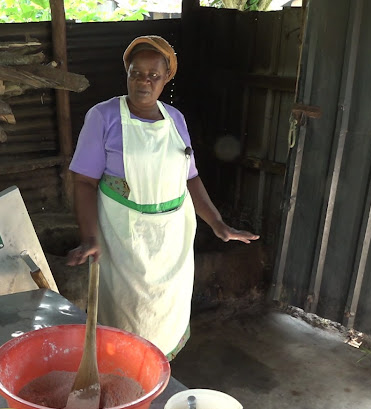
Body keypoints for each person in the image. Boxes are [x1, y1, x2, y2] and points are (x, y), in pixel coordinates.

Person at [66, 35, 259, 360]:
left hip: (172, 241)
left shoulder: (175, 119)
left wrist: (217, 223)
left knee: (163, 320)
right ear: (126, 73)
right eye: (135, 73)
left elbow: (190, 177)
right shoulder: (104, 117)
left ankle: (152, 380)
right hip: (124, 239)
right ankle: (124, 383)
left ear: (167, 77)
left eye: (153, 75)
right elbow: (84, 182)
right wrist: (89, 237)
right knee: (127, 322)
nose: (143, 81)